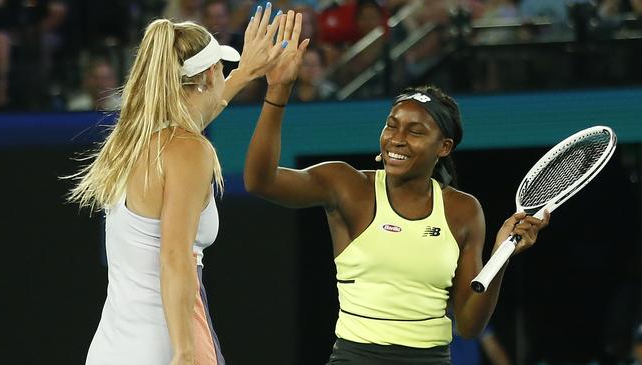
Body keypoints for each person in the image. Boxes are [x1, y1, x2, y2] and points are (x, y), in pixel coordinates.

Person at [243, 11, 550, 364]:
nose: (397, 139)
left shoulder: (463, 210)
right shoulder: (346, 184)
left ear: (444, 147)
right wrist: (278, 91)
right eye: (392, 126)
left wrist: (501, 256)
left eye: (415, 131)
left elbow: (468, 325)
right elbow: (259, 180)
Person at [67, 4, 289, 364]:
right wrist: (185, 351)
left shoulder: (132, 140)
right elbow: (174, 256)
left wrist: (246, 71)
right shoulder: (189, 150)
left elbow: (198, 111)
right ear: (208, 74)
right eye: (222, 68)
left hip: (111, 349)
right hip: (163, 346)